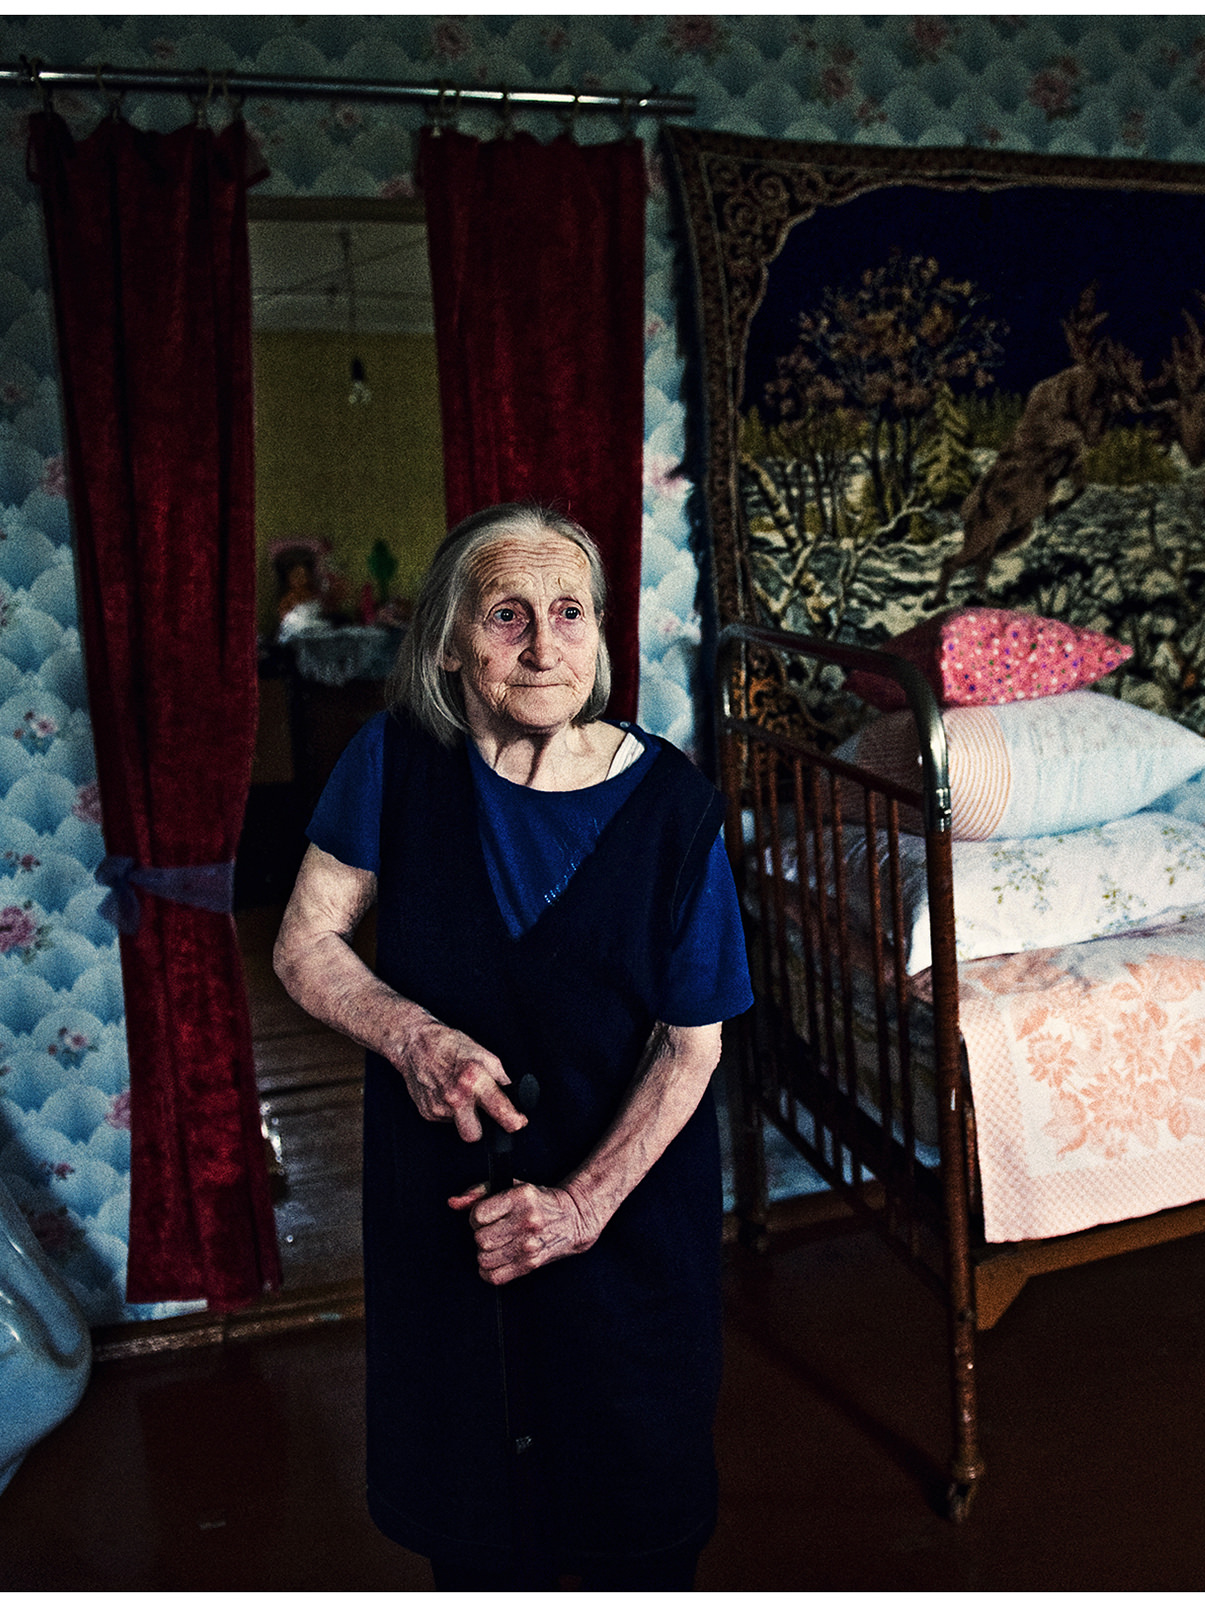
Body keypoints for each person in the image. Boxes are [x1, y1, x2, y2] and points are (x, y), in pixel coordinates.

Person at [273, 503, 752, 1591]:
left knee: (633, 1524)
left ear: (599, 637)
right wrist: (411, 1033)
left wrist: (579, 1207)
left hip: (626, 1238)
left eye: (570, 612)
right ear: (451, 641)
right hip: (446, 1229)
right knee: (475, 1533)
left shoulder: (674, 810)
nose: (544, 644)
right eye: (507, 614)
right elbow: (307, 942)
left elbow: (692, 1048)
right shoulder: (394, 760)